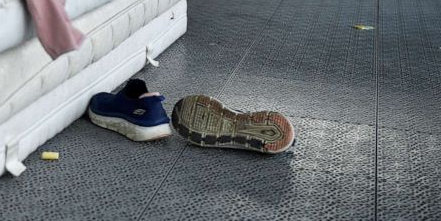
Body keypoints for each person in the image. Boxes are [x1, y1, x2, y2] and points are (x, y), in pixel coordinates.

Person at [87, 78, 296, 154]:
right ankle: (151, 110)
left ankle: (136, 108)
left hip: (139, 115)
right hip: (155, 118)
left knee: (109, 100)